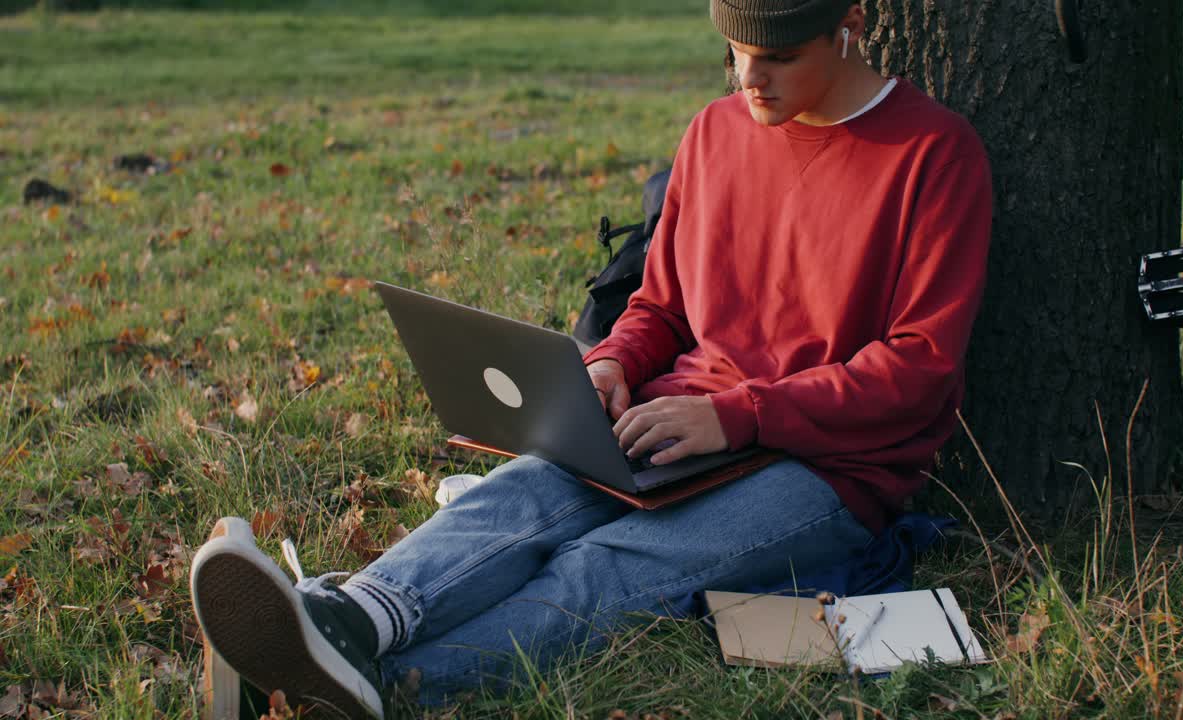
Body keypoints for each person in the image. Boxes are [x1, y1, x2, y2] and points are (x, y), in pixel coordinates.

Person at [188, 0, 992, 716]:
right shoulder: (714, 134)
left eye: (779, 57)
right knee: (515, 501)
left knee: (606, 567)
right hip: (671, 417)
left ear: (849, 24)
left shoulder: (933, 153)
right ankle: (349, 619)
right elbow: (662, 306)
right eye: (735, 54)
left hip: (827, 467)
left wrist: (736, 414)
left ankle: (373, 691)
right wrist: (610, 365)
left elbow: (919, 368)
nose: (751, 79)